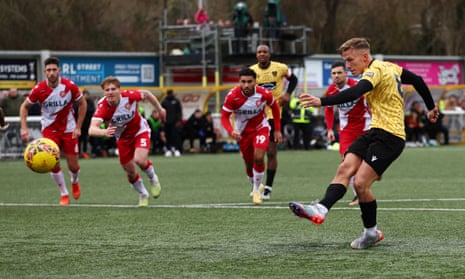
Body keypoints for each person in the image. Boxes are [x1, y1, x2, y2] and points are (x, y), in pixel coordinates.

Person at [288, 37, 439, 249]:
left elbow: (356, 91)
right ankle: (321, 208)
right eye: (345, 61)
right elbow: (418, 81)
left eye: (351, 60)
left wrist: (321, 101)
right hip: (373, 132)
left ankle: (370, 233)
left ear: (365, 57)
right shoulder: (391, 67)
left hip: (391, 137)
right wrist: (431, 107)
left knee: (360, 183)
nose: (348, 66)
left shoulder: (374, 70)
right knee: (345, 168)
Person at [88, 76, 166, 207]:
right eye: (107, 90)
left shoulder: (129, 96)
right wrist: (104, 132)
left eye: (113, 89)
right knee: (130, 172)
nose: (110, 92)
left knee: (140, 160)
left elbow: (146, 94)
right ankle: (143, 193)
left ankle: (153, 179)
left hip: (140, 131)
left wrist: (160, 109)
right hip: (123, 139)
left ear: (119, 90)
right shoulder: (103, 107)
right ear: (104, 92)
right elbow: (91, 129)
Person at [19, 56, 87, 206]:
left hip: (69, 129)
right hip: (50, 131)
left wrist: (78, 126)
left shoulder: (70, 86)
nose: (51, 73)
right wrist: (24, 128)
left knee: (73, 166)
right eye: (48, 70)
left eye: (54, 70)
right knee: (52, 162)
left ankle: (74, 181)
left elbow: (83, 104)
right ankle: (64, 193)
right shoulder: (39, 89)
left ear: (59, 71)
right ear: (45, 72)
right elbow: (24, 107)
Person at [221, 68, 283, 205]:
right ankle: (256, 184)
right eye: (243, 82)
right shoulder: (232, 96)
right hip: (242, 133)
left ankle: (256, 191)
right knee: (249, 165)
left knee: (259, 157)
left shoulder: (264, 93)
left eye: (250, 81)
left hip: (261, 128)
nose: (246, 85)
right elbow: (224, 117)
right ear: (239, 82)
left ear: (255, 82)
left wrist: (277, 130)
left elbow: (275, 108)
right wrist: (231, 130)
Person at [249, 44, 298, 199]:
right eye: (259, 52)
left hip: (274, 114)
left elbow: (294, 79)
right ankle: (256, 185)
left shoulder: (280, 68)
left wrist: (287, 94)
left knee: (271, 152)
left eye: (265, 52)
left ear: (269, 54)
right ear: (256, 55)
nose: (262, 54)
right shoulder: (252, 71)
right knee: (256, 154)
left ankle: (268, 187)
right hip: (256, 116)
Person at [324, 61, 371, 206]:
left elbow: (371, 102)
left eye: (339, 72)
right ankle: (358, 195)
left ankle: (365, 182)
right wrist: (330, 129)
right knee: (346, 162)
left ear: (345, 73)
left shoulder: (357, 86)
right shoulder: (331, 91)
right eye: (334, 73)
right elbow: (328, 109)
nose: (336, 76)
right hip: (346, 131)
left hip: (366, 128)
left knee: (366, 163)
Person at [161, 89, 183, 157]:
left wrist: (179, 120)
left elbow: (179, 111)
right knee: (168, 136)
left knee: (175, 136)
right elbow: (161, 112)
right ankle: (168, 150)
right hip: (167, 122)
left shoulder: (176, 101)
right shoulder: (164, 102)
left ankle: (176, 149)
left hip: (175, 122)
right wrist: (162, 121)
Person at [75, 89, 96, 159]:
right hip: (79, 124)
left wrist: (84, 109)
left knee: (85, 139)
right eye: (85, 95)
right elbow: (76, 111)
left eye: (87, 95)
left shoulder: (90, 102)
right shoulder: (78, 102)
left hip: (87, 124)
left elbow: (92, 110)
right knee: (78, 139)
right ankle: (78, 153)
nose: (86, 96)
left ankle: (84, 152)